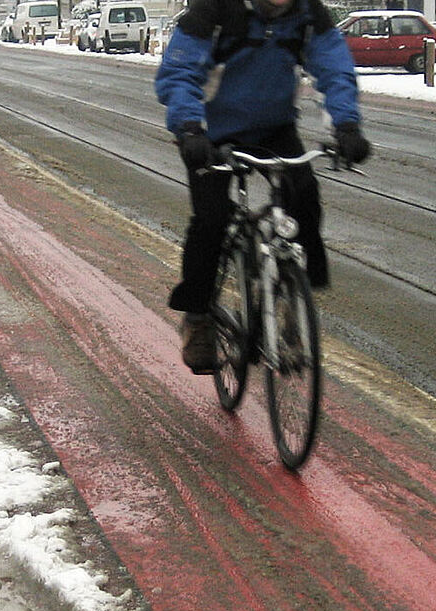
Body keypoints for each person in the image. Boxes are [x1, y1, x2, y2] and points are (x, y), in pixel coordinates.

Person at [154, 0, 370, 375]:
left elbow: (334, 66)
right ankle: (198, 315)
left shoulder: (306, 12)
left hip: (274, 128)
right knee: (212, 220)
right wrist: (189, 128)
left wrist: (347, 125)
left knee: (303, 197)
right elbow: (180, 70)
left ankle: (292, 294)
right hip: (211, 134)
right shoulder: (214, 9)